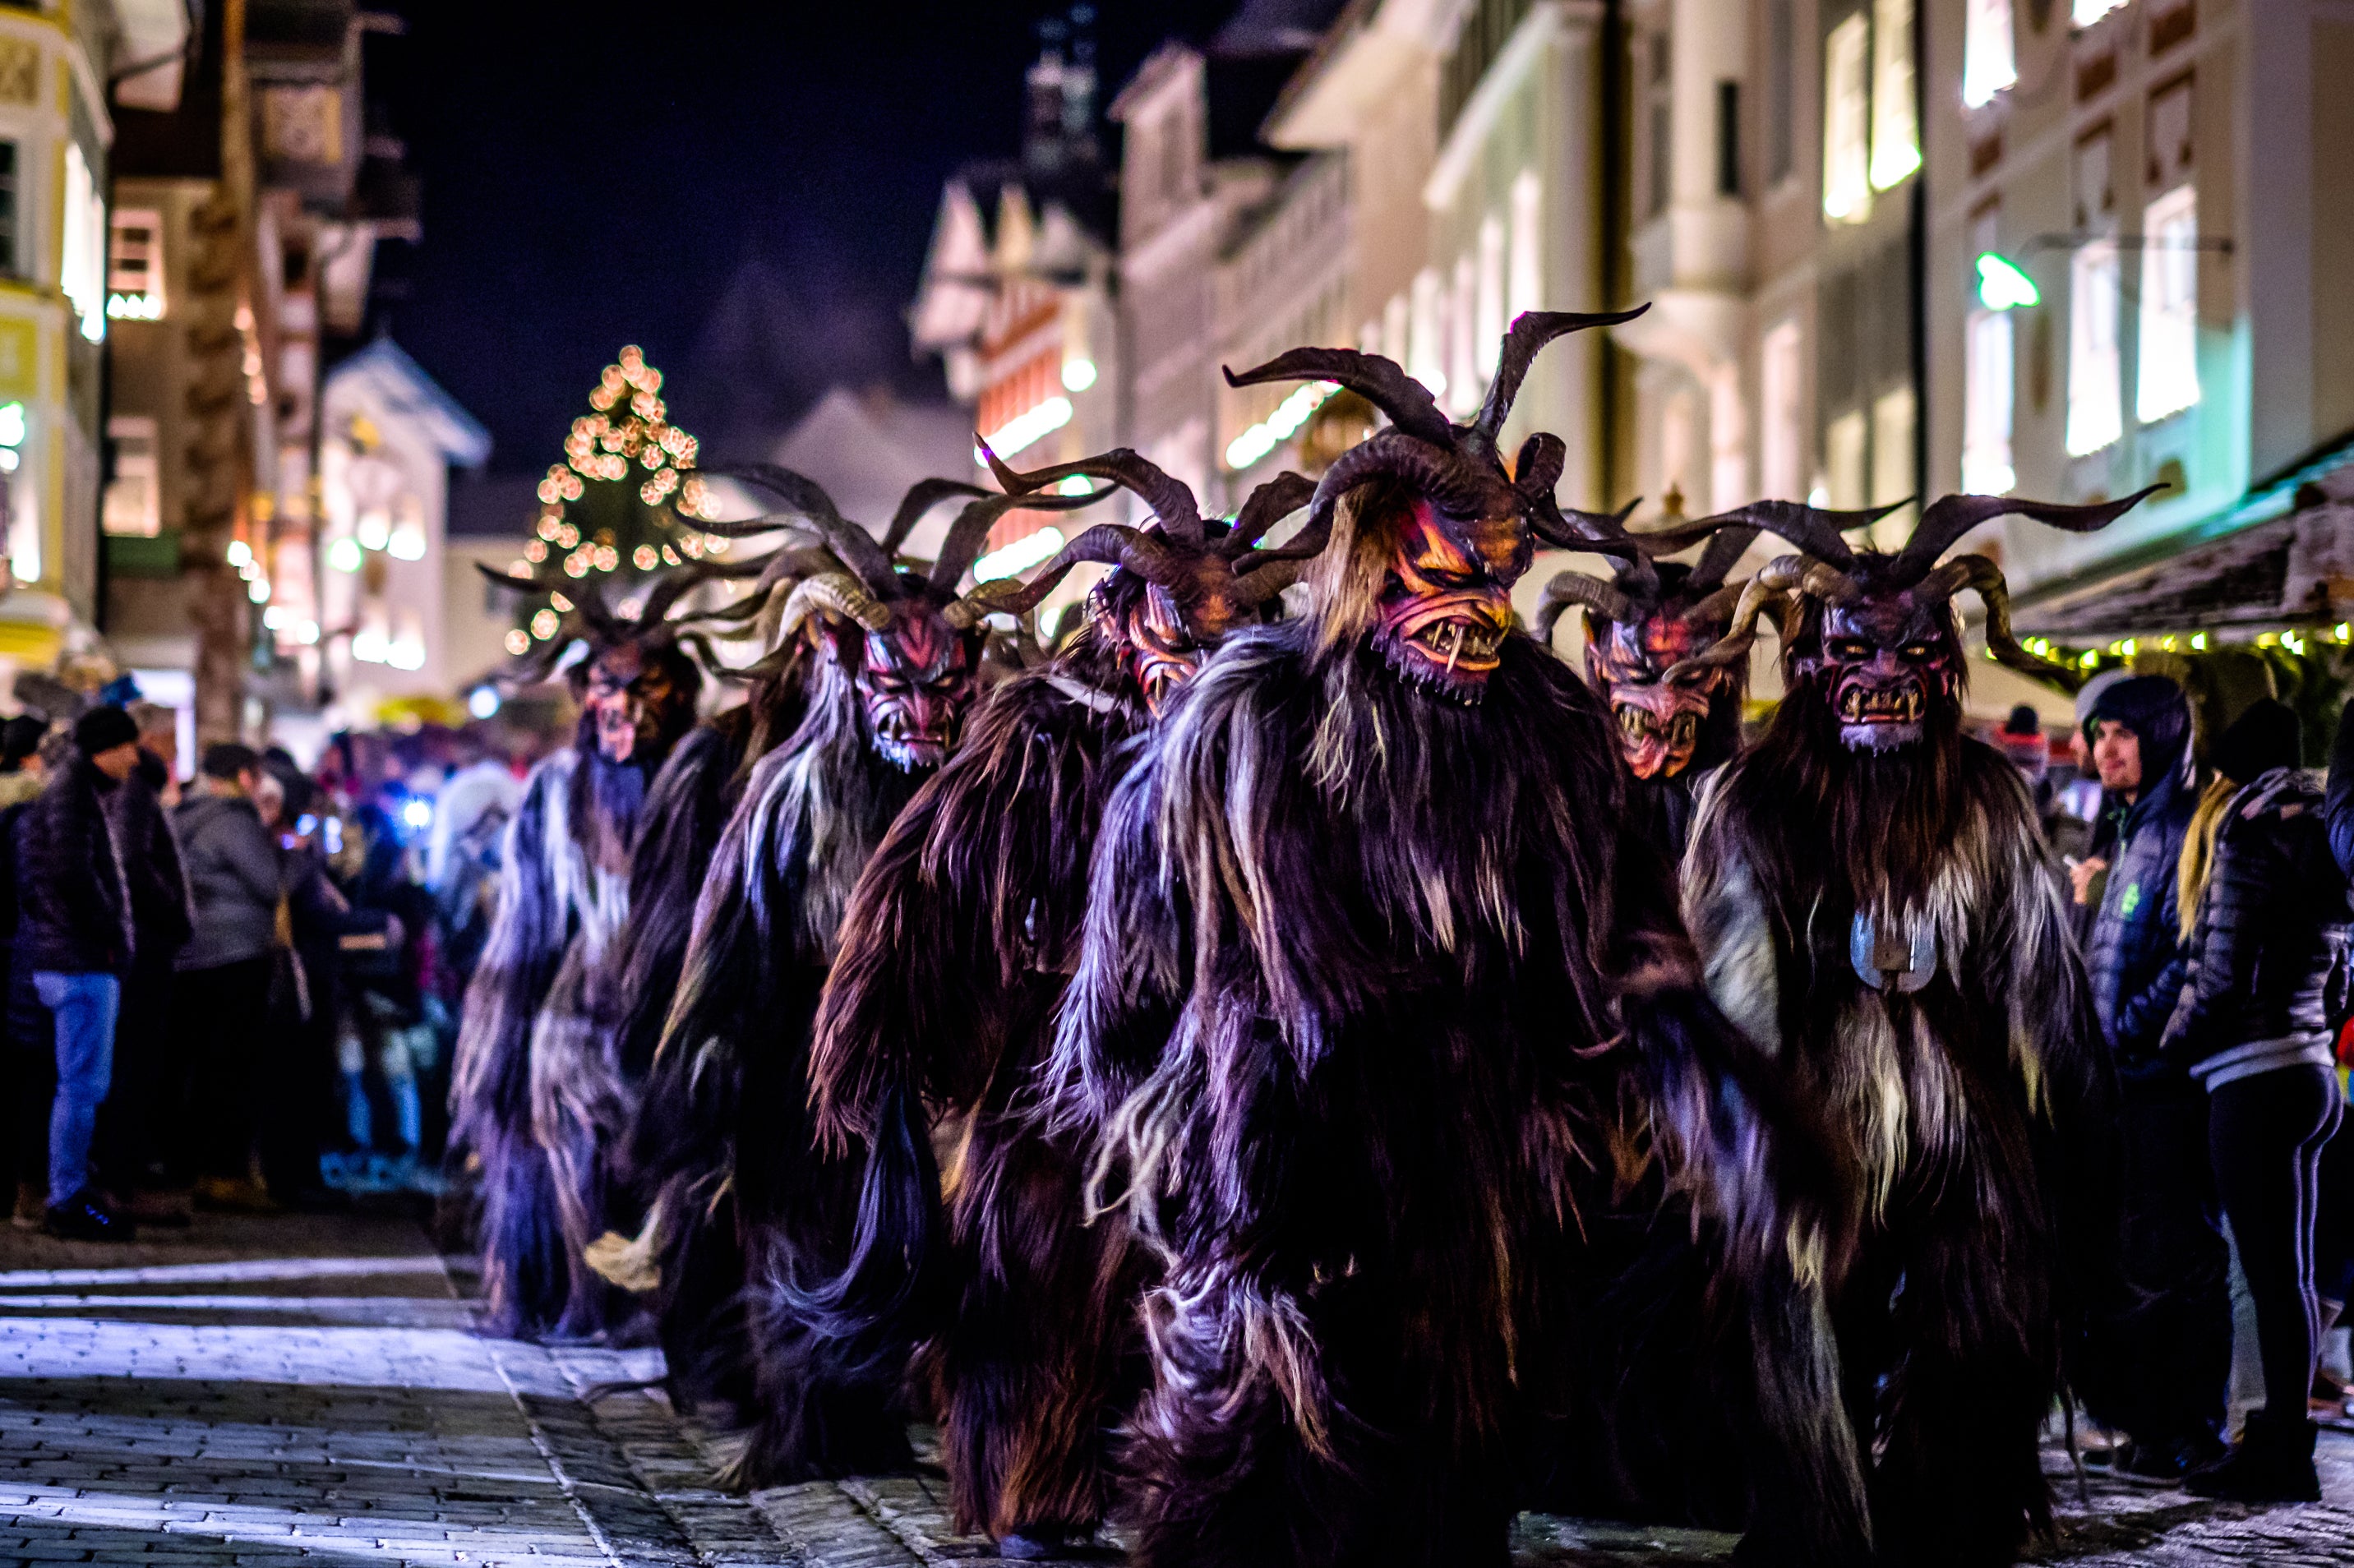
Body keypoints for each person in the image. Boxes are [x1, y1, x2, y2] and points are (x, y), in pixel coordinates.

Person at [2162, 698, 2347, 1501]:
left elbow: (2218, 972)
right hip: (2309, 1073)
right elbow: (2342, 976)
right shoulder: (2321, 833)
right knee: (2292, 1274)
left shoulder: (2243, 830)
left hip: (2248, 1078)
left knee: (2266, 1273)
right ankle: (2287, 1444)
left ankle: (2276, 1455)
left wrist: (2165, 1050)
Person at [2075, 672, 2232, 1481]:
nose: (2104, 750)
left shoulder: (2183, 828)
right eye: (2097, 735)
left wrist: (2132, 1031)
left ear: (2161, 737)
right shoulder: (2130, 828)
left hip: (2165, 1083)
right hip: (2124, 1085)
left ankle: (2191, 1431)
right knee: (2139, 1257)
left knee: (2180, 1259)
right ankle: (2151, 1428)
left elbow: (2190, 954)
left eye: (2120, 735)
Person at [17, 706, 141, 1239]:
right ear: (105, 748)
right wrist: (109, 930)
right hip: (79, 960)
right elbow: (71, 872)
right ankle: (66, 1198)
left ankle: (67, 1191)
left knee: (74, 1084)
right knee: (82, 1086)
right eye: (128, 747)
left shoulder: (69, 792)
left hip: (63, 955)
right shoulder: (74, 796)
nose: (135, 758)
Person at [173, 742, 285, 1211]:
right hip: (237, 954)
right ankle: (225, 1173)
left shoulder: (184, 816)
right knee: (234, 1066)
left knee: (199, 1065)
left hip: (192, 953)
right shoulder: (235, 822)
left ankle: (193, 1165)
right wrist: (295, 859)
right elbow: (268, 884)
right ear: (244, 776)